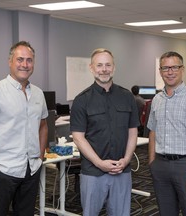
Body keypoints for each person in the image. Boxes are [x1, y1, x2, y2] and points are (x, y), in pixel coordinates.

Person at [0, 41, 48, 216]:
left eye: (29, 60)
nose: (25, 64)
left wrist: (40, 157)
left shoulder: (38, 93)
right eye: (20, 59)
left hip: (31, 170)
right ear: (10, 61)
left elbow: (43, 126)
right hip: (3, 171)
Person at [70, 48, 139, 216]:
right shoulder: (82, 100)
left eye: (108, 65)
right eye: (99, 65)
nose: (104, 69)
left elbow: (133, 131)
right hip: (93, 172)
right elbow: (79, 138)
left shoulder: (127, 97)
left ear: (114, 67)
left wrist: (127, 159)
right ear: (92, 68)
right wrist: (100, 163)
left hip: (122, 169)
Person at [147, 51, 186, 216]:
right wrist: (152, 162)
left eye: (174, 67)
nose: (170, 72)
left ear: (182, 69)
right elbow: (153, 132)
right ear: (160, 71)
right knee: (166, 211)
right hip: (160, 164)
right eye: (165, 68)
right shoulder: (156, 100)